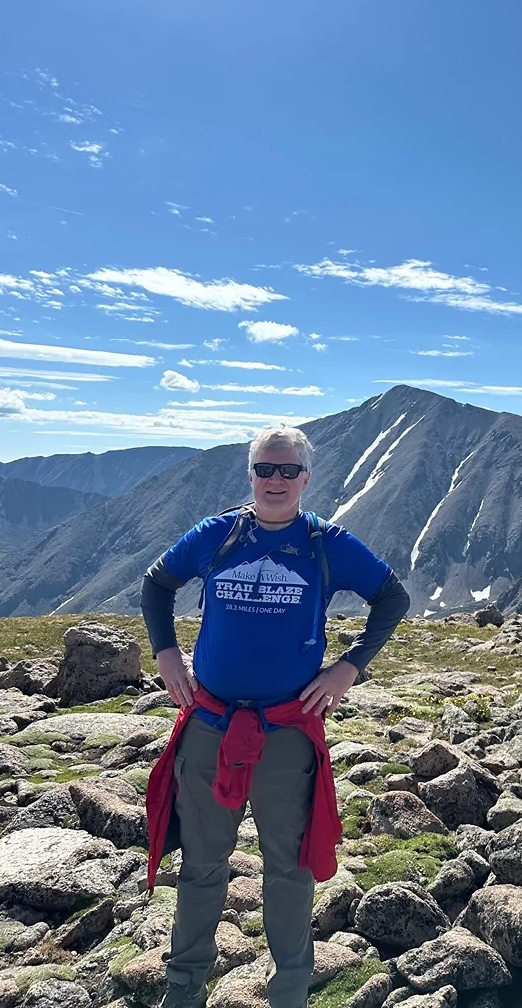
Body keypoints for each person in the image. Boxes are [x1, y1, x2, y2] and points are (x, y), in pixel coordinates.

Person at [140, 423, 410, 1008]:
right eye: (266, 468)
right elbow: (156, 585)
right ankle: (183, 990)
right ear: (251, 475)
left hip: (286, 731)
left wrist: (349, 668)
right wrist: (166, 654)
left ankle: (289, 995)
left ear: (306, 478)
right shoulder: (217, 535)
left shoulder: (326, 543)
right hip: (210, 724)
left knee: (288, 867)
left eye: (289, 470)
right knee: (202, 865)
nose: (276, 479)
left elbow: (393, 598)